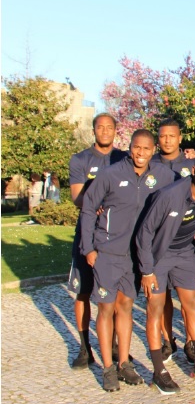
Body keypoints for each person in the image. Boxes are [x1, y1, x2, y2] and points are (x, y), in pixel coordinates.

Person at [79, 130, 175, 391]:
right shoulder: (110, 174)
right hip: (108, 253)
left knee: (125, 307)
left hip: (135, 256)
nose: (140, 153)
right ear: (130, 147)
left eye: (146, 148)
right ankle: (107, 368)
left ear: (153, 150)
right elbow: (88, 208)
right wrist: (88, 248)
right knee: (106, 308)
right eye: (136, 147)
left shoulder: (162, 176)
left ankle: (124, 363)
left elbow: (183, 190)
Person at [135, 150, 195, 394]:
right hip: (158, 255)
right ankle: (158, 371)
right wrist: (146, 270)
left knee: (193, 305)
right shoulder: (170, 195)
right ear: (194, 170)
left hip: (185, 253)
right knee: (155, 308)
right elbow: (144, 233)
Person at [67, 113, 128, 369]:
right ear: (94, 130)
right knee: (83, 292)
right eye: (100, 127)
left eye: (109, 127)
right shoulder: (80, 159)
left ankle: (113, 346)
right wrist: (97, 202)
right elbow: (77, 197)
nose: (104, 131)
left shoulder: (123, 157)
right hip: (88, 232)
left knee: (114, 295)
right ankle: (85, 348)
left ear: (115, 130)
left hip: (115, 237)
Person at [150, 118, 195, 362]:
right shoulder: (150, 164)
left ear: (180, 138)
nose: (167, 140)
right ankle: (168, 340)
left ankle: (191, 341)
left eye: (172, 136)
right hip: (157, 242)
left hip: (185, 242)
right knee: (162, 296)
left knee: (187, 296)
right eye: (163, 136)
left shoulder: (191, 164)